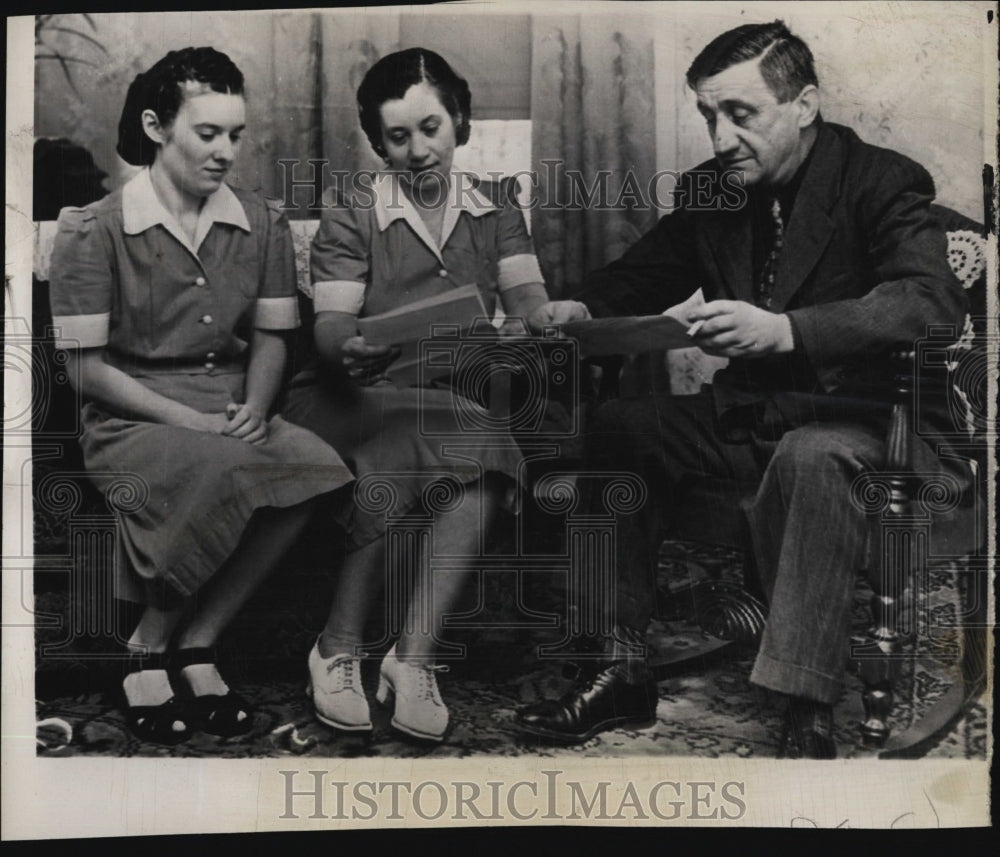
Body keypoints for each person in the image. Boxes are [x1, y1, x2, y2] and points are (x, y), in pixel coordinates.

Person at [515, 21, 969, 757]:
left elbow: (927, 301)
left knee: (811, 457)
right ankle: (618, 665)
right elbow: (646, 273)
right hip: (751, 415)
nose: (721, 136)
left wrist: (787, 330)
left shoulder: (882, 179)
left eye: (741, 114)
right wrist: (583, 307)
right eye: (708, 115)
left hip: (866, 421)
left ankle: (805, 704)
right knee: (621, 426)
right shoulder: (715, 189)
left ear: (805, 104)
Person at [48, 47, 353, 745]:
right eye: (206, 133)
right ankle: (148, 645)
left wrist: (254, 404)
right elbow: (86, 372)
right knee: (222, 465)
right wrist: (190, 418)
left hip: (229, 403)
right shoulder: (93, 228)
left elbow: (274, 336)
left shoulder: (261, 221)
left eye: (235, 136)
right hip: (132, 411)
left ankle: (200, 641)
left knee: (313, 467)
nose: (225, 152)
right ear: (157, 127)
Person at [283, 48, 550, 742]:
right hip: (348, 394)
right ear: (378, 143)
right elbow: (334, 321)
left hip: (443, 396)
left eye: (431, 127)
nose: (418, 149)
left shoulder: (498, 206)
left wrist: (539, 321)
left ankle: (413, 657)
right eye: (397, 137)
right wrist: (350, 345)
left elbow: (527, 300)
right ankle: (337, 647)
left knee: (485, 445)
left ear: (460, 120)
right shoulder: (352, 208)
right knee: (401, 440)